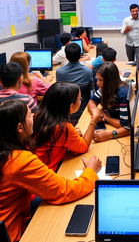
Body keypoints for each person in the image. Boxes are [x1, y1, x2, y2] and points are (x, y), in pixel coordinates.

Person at [0, 100, 101, 242]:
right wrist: (91, 171)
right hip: (11, 233)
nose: (34, 116)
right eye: (30, 115)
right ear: (19, 128)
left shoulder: (7, 150)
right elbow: (65, 191)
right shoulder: (19, 160)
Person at [33, 82, 101, 172]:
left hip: (37, 165)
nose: (81, 100)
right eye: (79, 99)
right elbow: (83, 147)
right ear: (71, 107)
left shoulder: (38, 115)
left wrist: (71, 136)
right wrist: (94, 121)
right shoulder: (63, 127)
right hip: (49, 171)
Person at [88, 62, 130, 142]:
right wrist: (96, 113)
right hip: (112, 123)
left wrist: (110, 134)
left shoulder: (123, 94)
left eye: (100, 80)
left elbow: (126, 127)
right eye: (97, 79)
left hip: (120, 133)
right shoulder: (104, 88)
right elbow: (91, 102)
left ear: (109, 81)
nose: (97, 83)